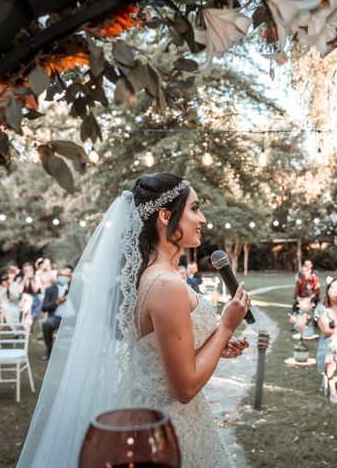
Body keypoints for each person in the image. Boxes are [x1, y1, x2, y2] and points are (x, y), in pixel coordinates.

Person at [18, 173, 251, 467]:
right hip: (169, 429)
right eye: (194, 208)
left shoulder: (150, 275)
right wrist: (227, 326)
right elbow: (184, 388)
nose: (202, 218)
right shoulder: (167, 285)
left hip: (151, 414)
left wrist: (214, 342)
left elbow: (160, 351)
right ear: (166, 216)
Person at [40, 265, 74, 361]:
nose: (63, 277)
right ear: (57, 276)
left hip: (73, 317)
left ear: (70, 277)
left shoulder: (76, 288)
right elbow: (44, 308)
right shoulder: (50, 289)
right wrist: (57, 302)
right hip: (57, 317)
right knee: (47, 324)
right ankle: (49, 351)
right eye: (61, 274)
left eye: (66, 275)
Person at [20, 262, 42, 330]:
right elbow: (20, 291)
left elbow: (35, 290)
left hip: (34, 297)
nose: (28, 272)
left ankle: (30, 321)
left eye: (29, 270)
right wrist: (24, 279)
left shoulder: (36, 278)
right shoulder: (20, 278)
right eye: (26, 270)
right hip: (24, 298)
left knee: (37, 302)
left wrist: (31, 279)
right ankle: (27, 323)